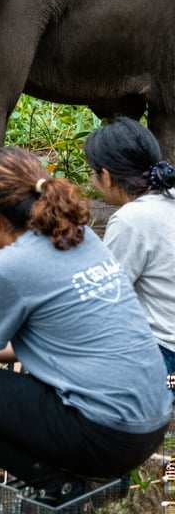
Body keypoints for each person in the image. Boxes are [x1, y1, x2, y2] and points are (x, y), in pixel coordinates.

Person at [0, 146, 171, 507]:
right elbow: (45, 344)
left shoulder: (10, 266)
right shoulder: (79, 236)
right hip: (151, 423)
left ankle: (57, 485)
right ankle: (97, 475)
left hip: (108, 435)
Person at [84, 116, 175, 389]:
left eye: (93, 172)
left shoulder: (131, 220)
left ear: (107, 177)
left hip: (164, 359)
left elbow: (105, 300)